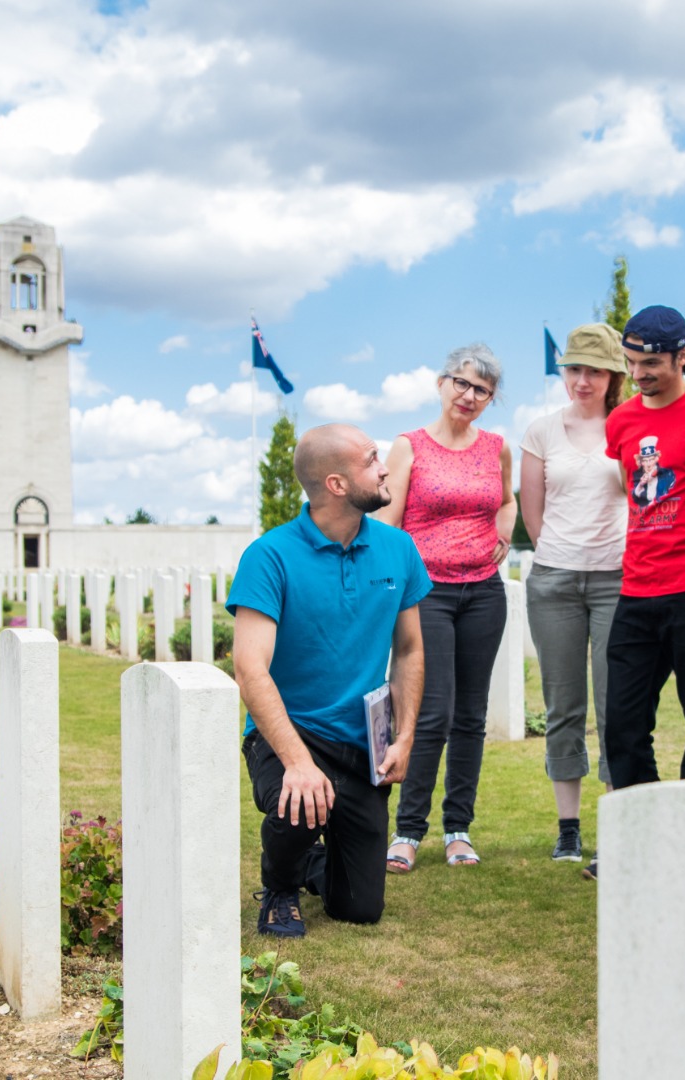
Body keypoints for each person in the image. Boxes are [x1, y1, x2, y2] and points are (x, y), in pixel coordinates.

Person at [230, 424, 431, 938]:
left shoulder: (399, 549)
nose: (385, 467)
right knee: (298, 801)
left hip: (365, 738)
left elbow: (407, 649)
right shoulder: (269, 556)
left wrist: (404, 737)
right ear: (337, 484)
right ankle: (280, 886)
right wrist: (297, 762)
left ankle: (314, 862)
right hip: (290, 734)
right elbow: (249, 668)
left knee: (359, 908)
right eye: (371, 459)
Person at [380, 344, 515, 871]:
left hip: (483, 592)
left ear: (490, 399)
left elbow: (506, 499)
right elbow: (387, 525)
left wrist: (503, 529)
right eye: (461, 383)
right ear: (441, 384)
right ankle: (408, 831)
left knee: (470, 716)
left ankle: (458, 829)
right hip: (426, 593)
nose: (469, 395)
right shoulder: (408, 446)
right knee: (428, 712)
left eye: (481, 389)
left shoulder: (498, 447)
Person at [601, 305, 685, 799]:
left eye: (649, 364)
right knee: (623, 724)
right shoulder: (620, 421)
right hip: (636, 590)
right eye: (631, 362)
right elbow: (631, 489)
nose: (637, 375)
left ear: (682, 356)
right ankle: (644, 835)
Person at [518, 323, 628, 863]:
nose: (582, 381)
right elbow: (532, 513)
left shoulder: (629, 425)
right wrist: (560, 554)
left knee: (616, 707)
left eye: (594, 371)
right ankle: (568, 827)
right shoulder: (541, 432)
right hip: (555, 581)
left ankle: (614, 831)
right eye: (574, 369)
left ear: (614, 376)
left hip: (617, 580)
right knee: (563, 706)